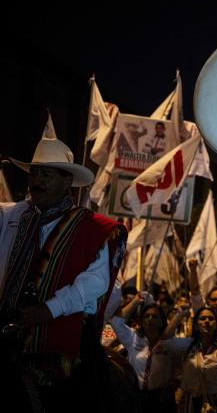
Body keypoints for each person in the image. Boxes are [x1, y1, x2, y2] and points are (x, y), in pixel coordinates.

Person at [0, 121, 127, 412]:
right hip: (5, 323)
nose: (37, 181)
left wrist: (49, 309)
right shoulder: (10, 215)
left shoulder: (89, 226)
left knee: (81, 397)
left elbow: (95, 283)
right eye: (35, 173)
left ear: (66, 182)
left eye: (47, 174)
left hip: (54, 336)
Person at [157, 306, 217, 413]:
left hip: (216, 402)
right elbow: (164, 341)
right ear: (195, 326)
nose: (207, 321)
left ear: (216, 325)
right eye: (202, 318)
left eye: (211, 318)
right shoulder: (187, 345)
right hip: (189, 403)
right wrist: (180, 315)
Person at [111, 296, 178, 413]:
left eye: (154, 316)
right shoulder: (132, 338)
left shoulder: (170, 342)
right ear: (141, 321)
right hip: (137, 396)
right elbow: (116, 323)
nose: (150, 319)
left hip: (163, 398)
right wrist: (137, 300)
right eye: (146, 316)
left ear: (162, 321)